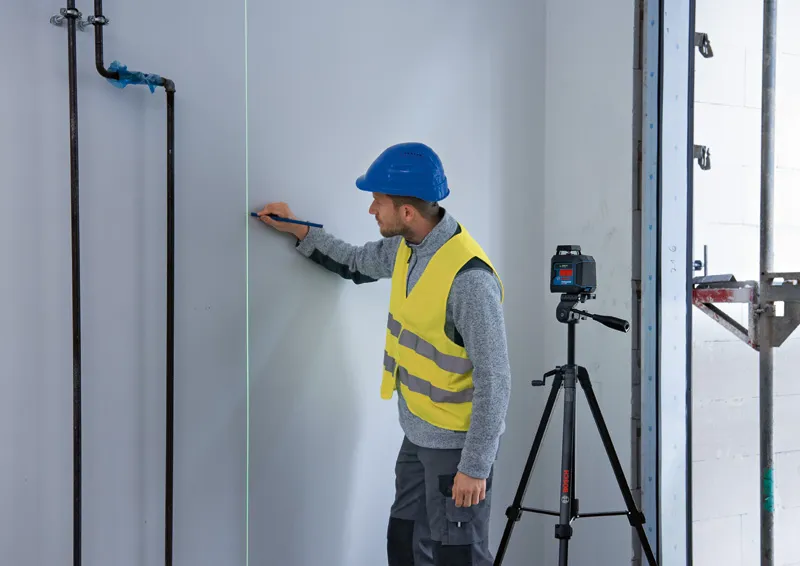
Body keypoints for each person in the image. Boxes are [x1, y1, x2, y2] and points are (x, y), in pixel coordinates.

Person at [255, 142, 511, 566]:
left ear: (406, 212)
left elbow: (496, 379)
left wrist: (476, 466)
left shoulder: (469, 280)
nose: (372, 211)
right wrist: (297, 228)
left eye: (378, 202)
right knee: (405, 544)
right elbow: (354, 263)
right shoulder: (407, 249)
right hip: (416, 431)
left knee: (457, 558)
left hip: (455, 448)